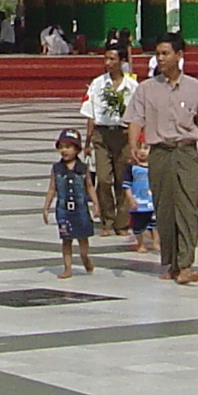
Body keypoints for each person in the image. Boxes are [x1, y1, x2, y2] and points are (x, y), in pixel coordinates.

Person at [133, 35, 198, 284]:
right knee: (164, 208)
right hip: (160, 153)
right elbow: (135, 119)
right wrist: (133, 144)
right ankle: (170, 262)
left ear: (179, 55)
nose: (160, 58)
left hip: (185, 152)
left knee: (187, 208)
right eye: (157, 53)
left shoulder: (196, 89)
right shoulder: (146, 88)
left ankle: (186, 263)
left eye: (165, 53)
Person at [80, 39, 137, 249]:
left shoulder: (132, 86)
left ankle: (122, 222)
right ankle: (107, 218)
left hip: (123, 134)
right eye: (106, 58)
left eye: (112, 59)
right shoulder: (97, 84)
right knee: (103, 178)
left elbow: (137, 116)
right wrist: (88, 141)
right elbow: (90, 113)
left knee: (122, 178)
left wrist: (136, 141)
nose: (108, 62)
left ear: (122, 61)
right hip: (102, 135)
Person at [42, 128, 95, 277]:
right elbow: (52, 188)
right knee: (66, 239)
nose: (64, 150)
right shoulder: (57, 169)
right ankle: (68, 268)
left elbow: (90, 186)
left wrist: (96, 205)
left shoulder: (83, 168)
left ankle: (85, 257)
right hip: (63, 210)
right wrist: (46, 207)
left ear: (77, 149)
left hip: (81, 210)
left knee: (83, 238)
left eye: (68, 147)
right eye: (61, 147)